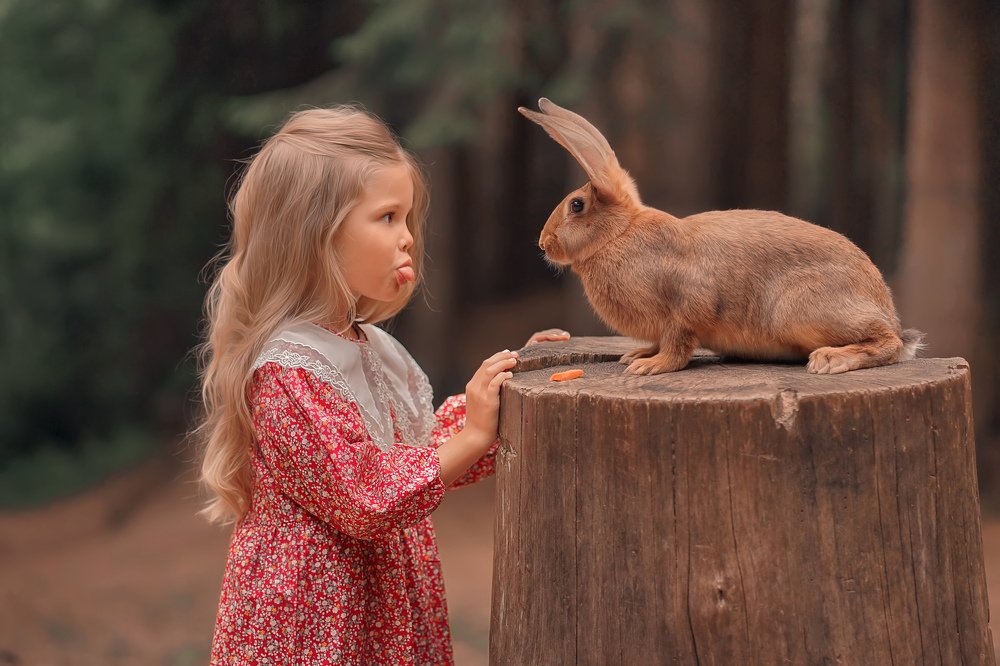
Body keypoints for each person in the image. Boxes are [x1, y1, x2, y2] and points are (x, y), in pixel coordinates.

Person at [195, 105, 570, 665]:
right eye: (387, 218)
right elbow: (365, 495)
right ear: (313, 233)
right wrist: (469, 437)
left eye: (409, 218)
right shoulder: (288, 370)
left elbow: (415, 450)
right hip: (316, 624)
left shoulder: (372, 346)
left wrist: (503, 392)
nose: (408, 238)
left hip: (379, 607)